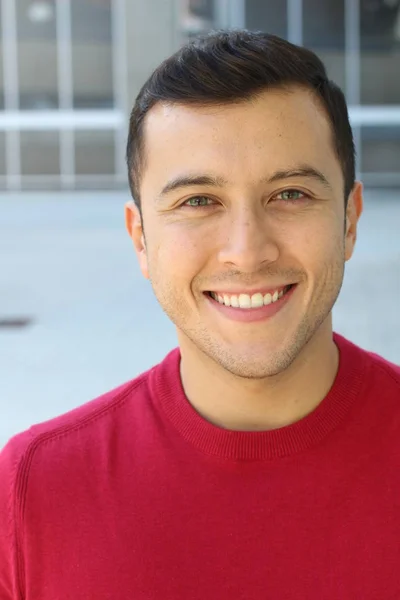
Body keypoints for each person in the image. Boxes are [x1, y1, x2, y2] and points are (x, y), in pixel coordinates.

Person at [0, 29, 399, 599]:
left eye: (290, 194)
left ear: (350, 220)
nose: (247, 250)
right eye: (198, 201)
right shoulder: (34, 488)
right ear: (141, 239)